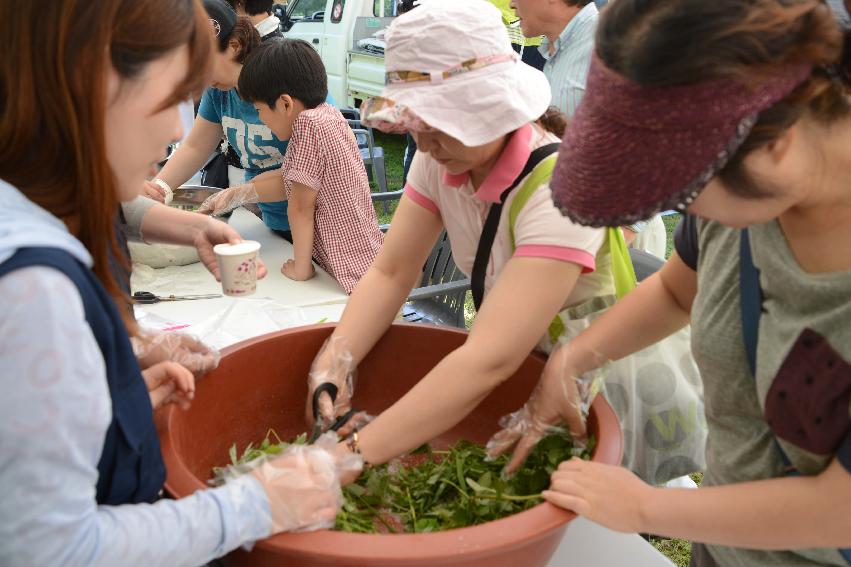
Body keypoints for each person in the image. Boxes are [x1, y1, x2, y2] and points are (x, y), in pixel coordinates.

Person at [492, 1, 851, 565]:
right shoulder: (744, 183)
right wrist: (574, 360)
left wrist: (645, 509)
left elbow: (840, 506)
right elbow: (678, 290)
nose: (684, 210)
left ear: (775, 147)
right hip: (725, 542)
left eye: (678, 190)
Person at [0, 1, 360, 564]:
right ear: (87, 86)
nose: (176, 129)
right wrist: (257, 502)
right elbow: (53, 550)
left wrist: (112, 383)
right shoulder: (35, 292)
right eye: (169, 97)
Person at [305, 0, 620, 474]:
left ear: (494, 107)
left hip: (594, 378)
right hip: (521, 356)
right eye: (415, 125)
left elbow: (487, 360)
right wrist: (335, 359)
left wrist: (344, 460)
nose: (424, 145)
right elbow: (392, 272)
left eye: (441, 126)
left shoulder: (561, 190)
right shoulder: (440, 158)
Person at [200, 39, 384, 293]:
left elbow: (300, 207)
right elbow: (291, 176)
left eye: (259, 110)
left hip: (344, 266)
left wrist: (302, 267)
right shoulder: (327, 115)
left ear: (285, 104)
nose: (262, 119)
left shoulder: (307, 126)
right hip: (365, 253)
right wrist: (236, 194)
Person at [146, 0, 296, 239]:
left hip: (318, 220)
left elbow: (311, 170)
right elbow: (195, 147)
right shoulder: (218, 91)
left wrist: (241, 193)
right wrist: (157, 190)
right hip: (272, 219)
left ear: (234, 45)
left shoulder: (284, 75)